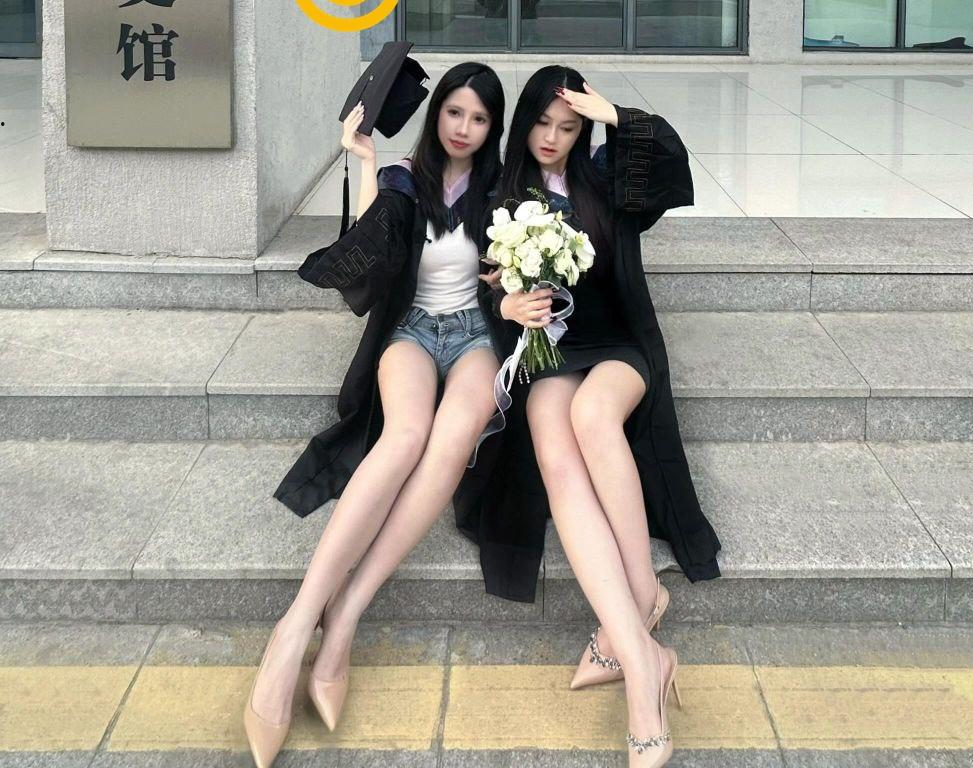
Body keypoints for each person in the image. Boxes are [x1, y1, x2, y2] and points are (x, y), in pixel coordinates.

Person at [244, 62, 505, 768]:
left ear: (492, 127)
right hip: (412, 331)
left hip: (477, 337)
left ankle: (345, 618)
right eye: (454, 112)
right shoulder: (403, 179)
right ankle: (295, 627)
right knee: (405, 435)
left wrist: (507, 283)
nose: (463, 128)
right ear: (436, 114)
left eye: (479, 118)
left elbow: (517, 274)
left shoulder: (503, 192)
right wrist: (363, 160)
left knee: (452, 439)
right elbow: (367, 255)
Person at [478, 64, 720, 767]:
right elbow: (476, 282)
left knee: (591, 416)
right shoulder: (499, 194)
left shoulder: (607, 180)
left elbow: (674, 168)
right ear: (523, 123)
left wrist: (615, 116)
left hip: (618, 346)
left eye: (567, 127)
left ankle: (639, 600)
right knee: (555, 456)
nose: (553, 138)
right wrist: (505, 303)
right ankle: (643, 658)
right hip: (551, 351)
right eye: (543, 123)